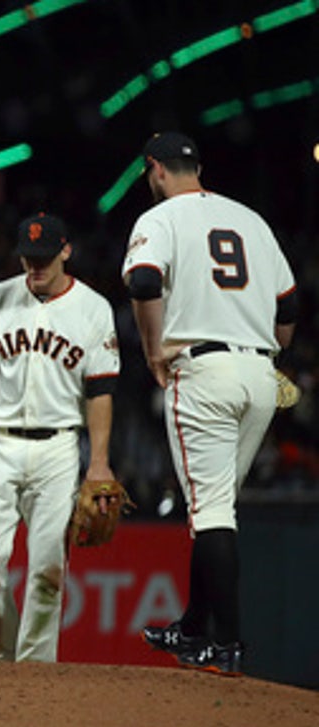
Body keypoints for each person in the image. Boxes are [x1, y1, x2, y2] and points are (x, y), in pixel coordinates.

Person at [124, 132, 297, 676]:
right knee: (215, 507)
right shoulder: (251, 220)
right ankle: (196, 624)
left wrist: (154, 350)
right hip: (259, 374)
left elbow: (144, 279)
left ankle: (226, 642)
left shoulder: (162, 218)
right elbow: (288, 308)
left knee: (211, 510)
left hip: (203, 372)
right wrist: (261, 348)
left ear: (156, 169)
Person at [0, 213, 119, 662]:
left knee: (47, 570)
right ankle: (3, 660)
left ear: (65, 251)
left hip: (58, 446)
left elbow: (100, 391)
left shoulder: (93, 308)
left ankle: (35, 669)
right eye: (27, 258)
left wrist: (99, 461)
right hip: (0, 445)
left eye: (44, 258)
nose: (35, 267)